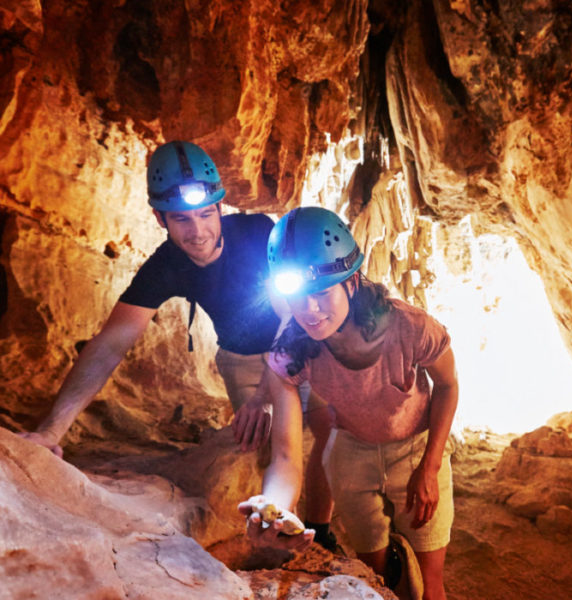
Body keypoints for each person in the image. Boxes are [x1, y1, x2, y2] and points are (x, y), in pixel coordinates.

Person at [18, 141, 336, 548]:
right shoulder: (165, 266)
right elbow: (109, 346)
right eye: (182, 220)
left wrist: (265, 393)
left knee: (327, 426)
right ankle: (276, 523)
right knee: (262, 443)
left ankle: (323, 531)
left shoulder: (259, 236)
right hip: (239, 357)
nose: (198, 231)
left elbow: (292, 316)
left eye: (206, 214)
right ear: (159, 218)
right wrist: (50, 431)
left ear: (221, 208)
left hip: (294, 341)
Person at [239, 206, 458, 599]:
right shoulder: (290, 352)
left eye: (321, 293)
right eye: (297, 297)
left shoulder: (410, 328)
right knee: (375, 571)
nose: (309, 311)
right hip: (351, 450)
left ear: (352, 282)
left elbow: (447, 385)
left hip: (414, 446)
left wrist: (430, 464)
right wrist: (272, 507)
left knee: (432, 580)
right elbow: (287, 457)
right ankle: (394, 567)